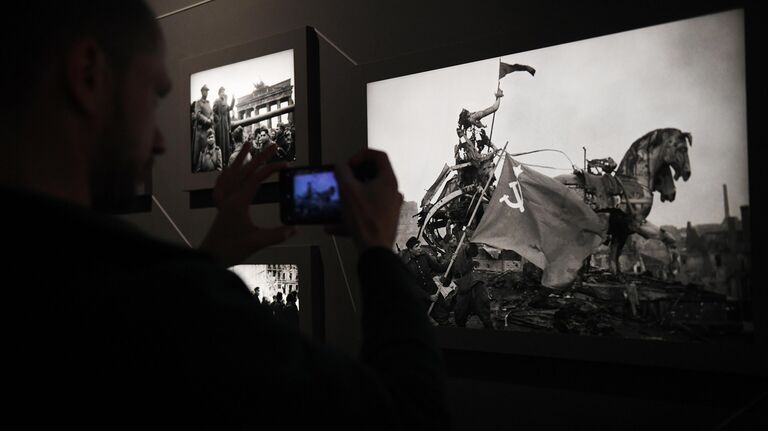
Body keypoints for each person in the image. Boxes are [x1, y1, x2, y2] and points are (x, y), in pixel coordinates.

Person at [2, 1, 447, 429]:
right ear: (87, 75)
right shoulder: (160, 309)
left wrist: (210, 257)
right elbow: (410, 416)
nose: (159, 141)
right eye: (154, 96)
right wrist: (377, 251)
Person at [193, 84, 214, 172]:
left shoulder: (208, 103)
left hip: (207, 131)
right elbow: (197, 114)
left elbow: (211, 113)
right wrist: (207, 120)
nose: (206, 93)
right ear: (202, 91)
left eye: (207, 91)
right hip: (201, 131)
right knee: (198, 153)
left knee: (207, 151)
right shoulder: (198, 102)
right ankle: (196, 169)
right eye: (205, 91)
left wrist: (212, 118)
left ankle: (206, 167)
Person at [213, 86, 235, 166]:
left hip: (225, 124)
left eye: (224, 91)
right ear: (219, 93)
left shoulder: (225, 102)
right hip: (219, 125)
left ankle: (226, 160)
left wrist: (233, 99)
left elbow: (230, 108)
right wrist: (217, 119)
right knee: (220, 142)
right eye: (222, 92)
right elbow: (213, 111)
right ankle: (220, 160)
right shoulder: (216, 101)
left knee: (226, 142)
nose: (223, 93)